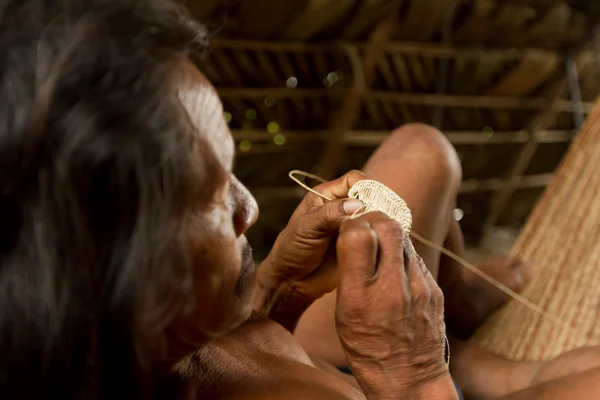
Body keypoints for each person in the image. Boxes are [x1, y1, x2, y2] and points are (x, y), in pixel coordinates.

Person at [2, 1, 600, 399]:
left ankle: (457, 312)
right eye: (212, 200)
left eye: (230, 172)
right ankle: (482, 363)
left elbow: (230, 356)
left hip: (324, 354)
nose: (250, 210)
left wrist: (277, 292)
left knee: (421, 151)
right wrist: (414, 373)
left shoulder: (151, 336)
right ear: (120, 273)